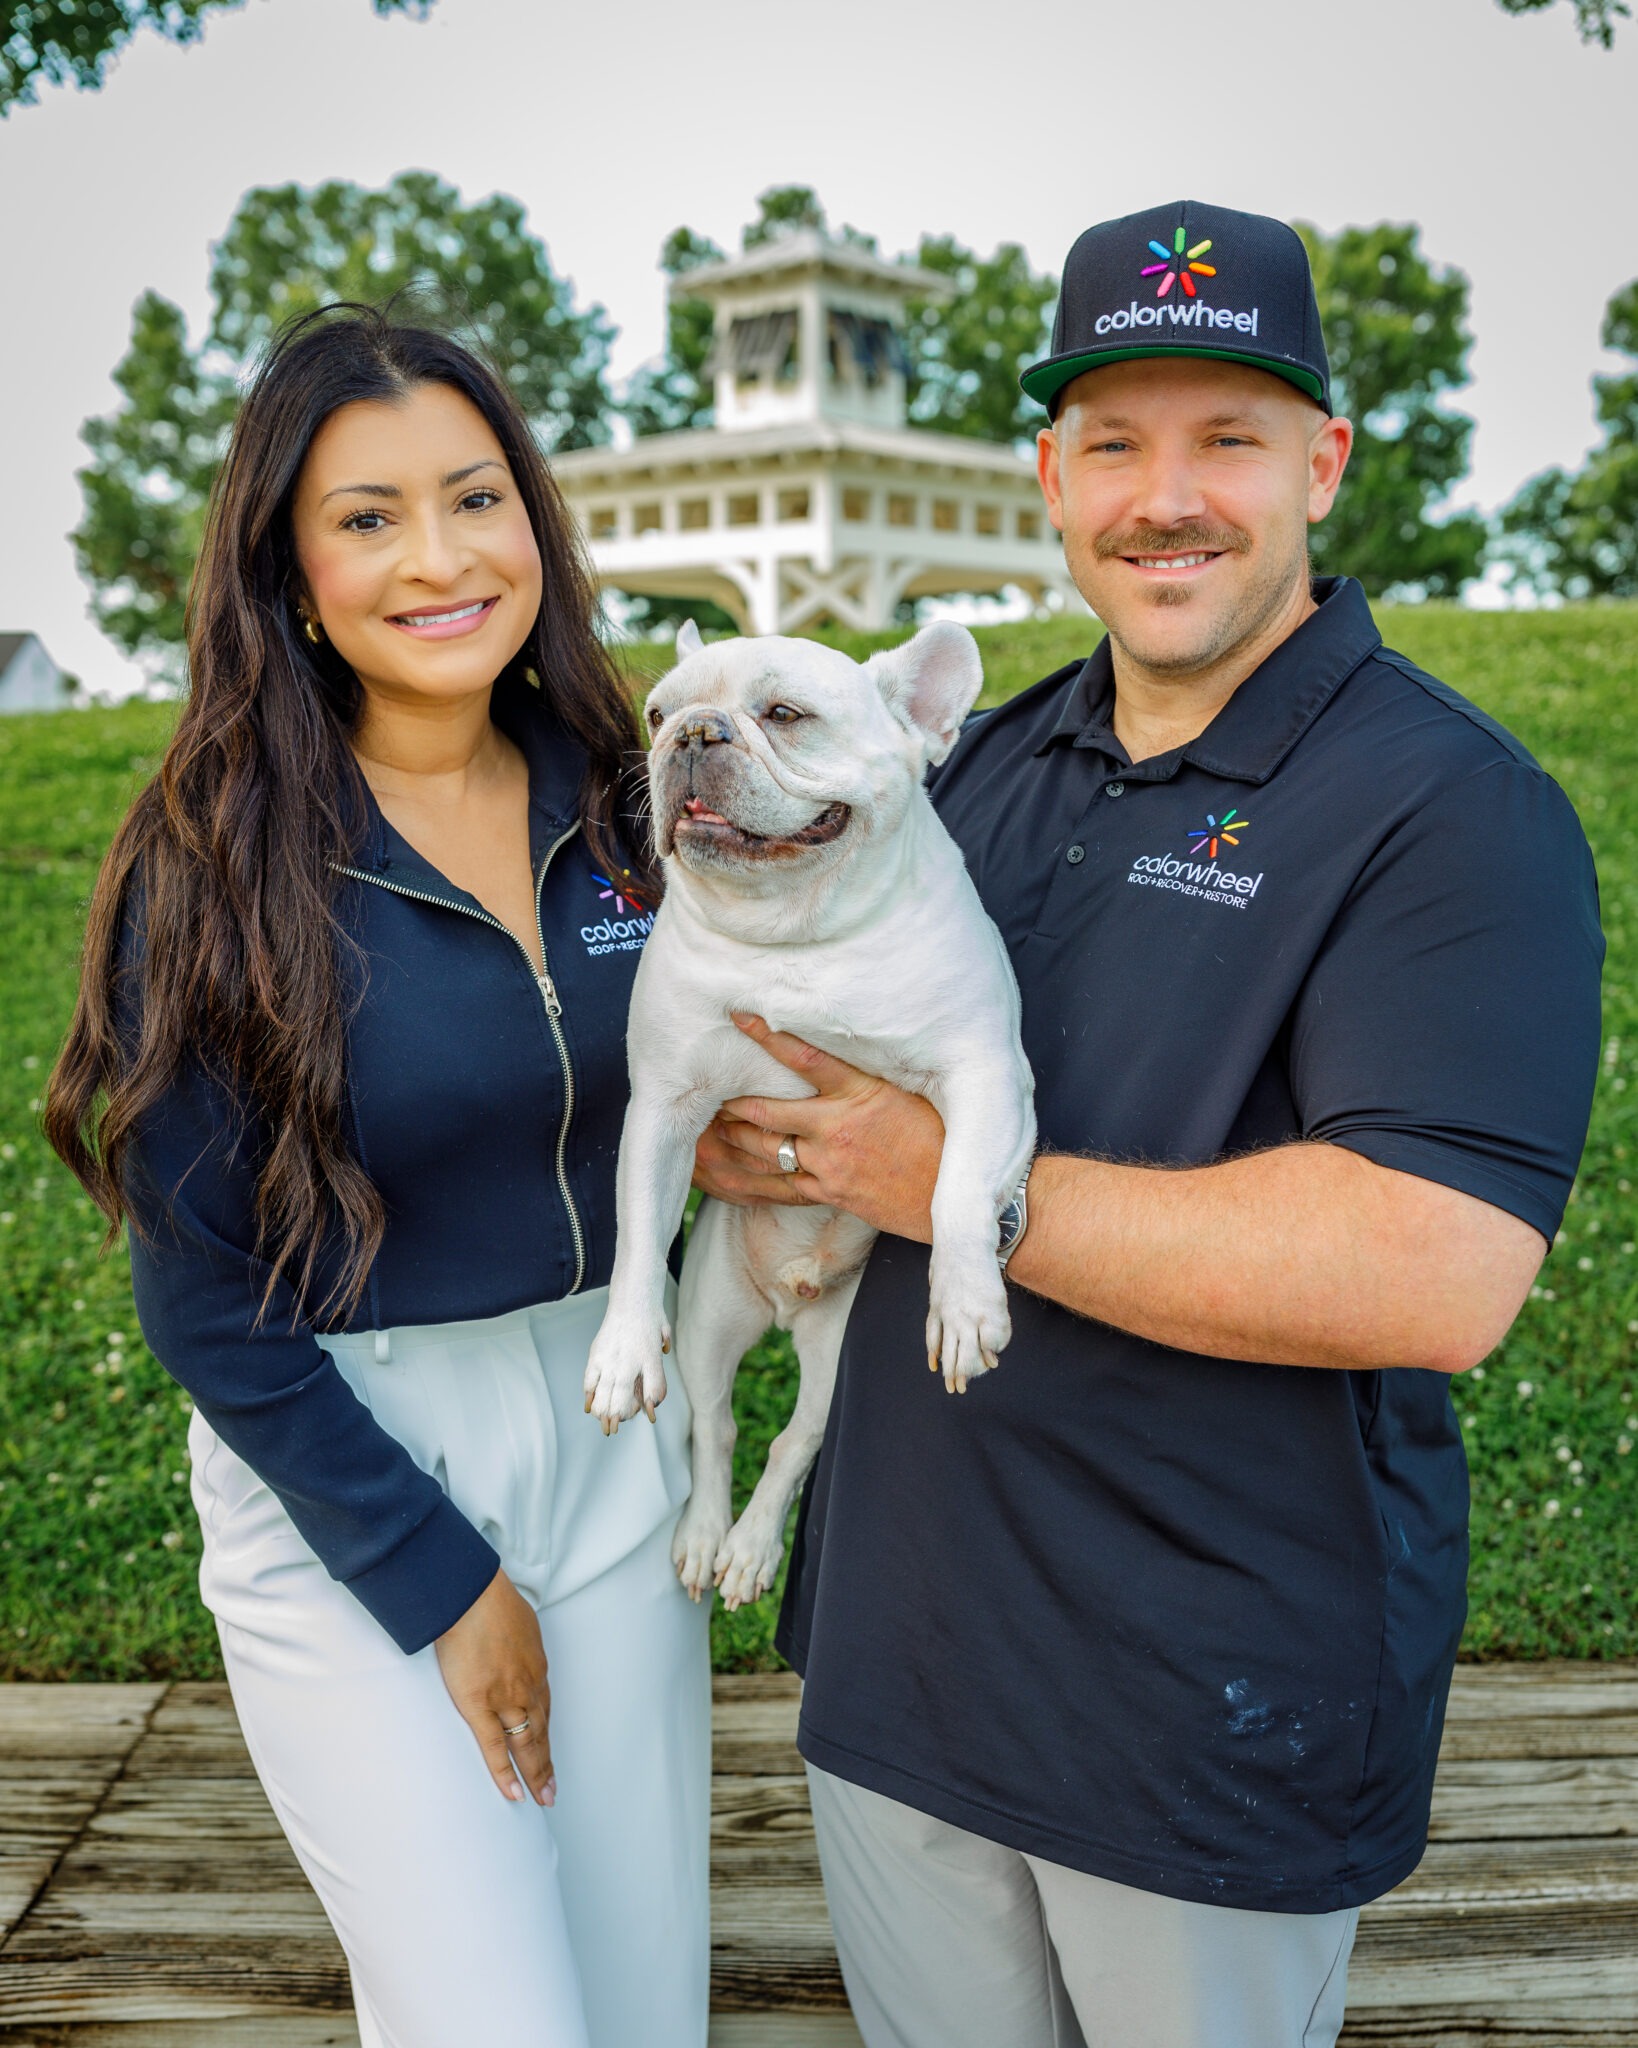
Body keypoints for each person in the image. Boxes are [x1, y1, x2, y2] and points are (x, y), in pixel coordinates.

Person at [692, 201, 1604, 2048]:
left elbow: (1431, 1274)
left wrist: (935, 1173)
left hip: (1203, 1719)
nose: (1161, 496)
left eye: (1226, 439)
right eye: (1113, 441)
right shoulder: (965, 773)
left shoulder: (1445, 810)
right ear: (1049, 472)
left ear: (1322, 464)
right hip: (896, 1675)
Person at [45, 306, 708, 2048]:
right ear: (288, 565)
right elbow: (205, 1303)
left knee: (641, 2017)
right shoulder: (212, 857)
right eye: (365, 517)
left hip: (618, 1453)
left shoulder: (630, 794)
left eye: (475, 497)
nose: (439, 558)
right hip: (359, 1476)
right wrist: (443, 1584)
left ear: (534, 524)